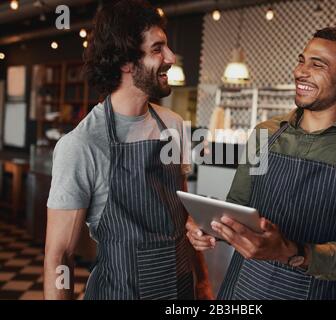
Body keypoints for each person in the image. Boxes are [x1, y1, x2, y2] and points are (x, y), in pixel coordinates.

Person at [186, 27, 336, 300]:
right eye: (301, 60)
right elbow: (237, 208)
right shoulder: (265, 133)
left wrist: (291, 252)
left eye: (317, 64)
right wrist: (210, 228)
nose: (301, 71)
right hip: (240, 290)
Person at [44, 0, 212, 300]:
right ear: (124, 61)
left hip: (181, 292)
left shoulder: (173, 124)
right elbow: (59, 257)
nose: (171, 57)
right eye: (157, 49)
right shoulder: (81, 145)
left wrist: (202, 282)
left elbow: (181, 214)